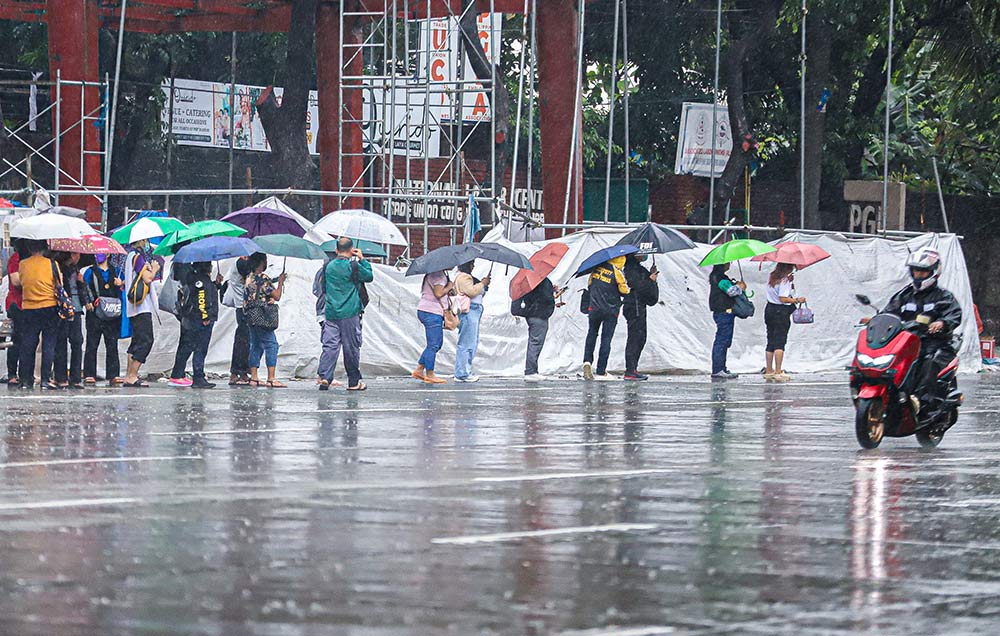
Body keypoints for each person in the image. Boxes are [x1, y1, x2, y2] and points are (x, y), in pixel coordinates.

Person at [874, 248, 962, 415]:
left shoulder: (943, 296)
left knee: (929, 362)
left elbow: (954, 314)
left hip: (934, 342)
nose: (919, 274)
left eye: (923, 271)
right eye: (916, 270)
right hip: (905, 341)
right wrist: (877, 320)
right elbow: (890, 312)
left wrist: (942, 323)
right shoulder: (904, 295)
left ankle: (924, 403)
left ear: (933, 272)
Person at [318, 238, 373, 391]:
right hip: (350, 312)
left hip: (331, 312)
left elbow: (323, 287)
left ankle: (324, 377)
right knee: (351, 347)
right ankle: (354, 381)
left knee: (330, 345)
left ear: (336, 250)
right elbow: (369, 276)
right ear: (351, 250)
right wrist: (362, 259)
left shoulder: (328, 267)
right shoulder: (352, 265)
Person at [16, 240, 60, 389]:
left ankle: (25, 379)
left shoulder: (23, 264)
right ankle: (45, 379)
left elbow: (22, 282)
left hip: (29, 307)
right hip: (49, 306)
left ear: (29, 248)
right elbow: (58, 283)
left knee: (28, 344)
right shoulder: (51, 264)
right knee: (49, 344)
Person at [170, 261, 220, 389]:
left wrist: (216, 285)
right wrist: (205, 316)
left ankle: (191, 374)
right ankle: (198, 376)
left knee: (191, 346)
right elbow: (202, 299)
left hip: (194, 318)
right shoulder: (201, 281)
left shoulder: (196, 279)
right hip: (201, 319)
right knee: (200, 348)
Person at [582, 255, 630, 380]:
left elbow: (590, 285)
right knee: (606, 339)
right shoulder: (617, 272)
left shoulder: (596, 270)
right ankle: (601, 370)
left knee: (592, 334)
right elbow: (624, 291)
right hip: (610, 311)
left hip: (594, 309)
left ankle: (587, 362)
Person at [244, 252, 286, 388]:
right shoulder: (263, 278)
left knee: (255, 345)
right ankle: (271, 378)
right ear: (262, 262)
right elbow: (277, 296)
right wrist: (280, 283)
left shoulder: (248, 278)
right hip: (262, 316)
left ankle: (254, 377)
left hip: (250, 315)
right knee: (271, 344)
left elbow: (255, 295)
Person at [123, 239, 160, 388]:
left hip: (133, 307)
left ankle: (129, 375)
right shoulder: (137, 257)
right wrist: (155, 268)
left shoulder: (130, 256)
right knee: (146, 340)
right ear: (142, 240)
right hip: (141, 306)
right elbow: (147, 278)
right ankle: (132, 375)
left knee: (136, 341)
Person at [83, 254, 124, 386]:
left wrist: (121, 283)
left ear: (108, 254)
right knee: (92, 344)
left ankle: (113, 374)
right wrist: (87, 302)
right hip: (95, 312)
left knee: (112, 344)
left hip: (112, 312)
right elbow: (84, 287)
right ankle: (89, 373)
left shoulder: (116, 270)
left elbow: (124, 288)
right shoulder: (90, 271)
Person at [513, 277, 564, 381]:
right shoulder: (543, 281)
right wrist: (553, 293)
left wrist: (551, 289)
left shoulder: (528, 280)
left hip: (530, 313)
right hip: (539, 315)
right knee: (536, 343)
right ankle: (531, 371)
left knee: (534, 342)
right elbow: (546, 299)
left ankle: (531, 370)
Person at [53, 251, 90, 389]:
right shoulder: (58, 268)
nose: (79, 256)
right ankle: (61, 376)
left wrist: (81, 282)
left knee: (77, 342)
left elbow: (81, 289)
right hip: (63, 309)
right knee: (61, 342)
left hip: (76, 308)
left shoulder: (77, 270)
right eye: (76, 254)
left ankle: (75, 377)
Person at [764, 263, 806, 382]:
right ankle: (778, 371)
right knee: (780, 341)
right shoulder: (784, 280)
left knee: (770, 340)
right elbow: (783, 298)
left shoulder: (772, 278)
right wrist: (798, 300)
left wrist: (790, 284)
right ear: (788, 268)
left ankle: (769, 370)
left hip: (769, 309)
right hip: (780, 311)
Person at [622, 254, 659, 381]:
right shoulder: (630, 269)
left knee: (641, 338)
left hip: (640, 307)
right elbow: (638, 286)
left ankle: (633, 368)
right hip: (634, 307)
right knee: (635, 338)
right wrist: (651, 280)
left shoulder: (638, 269)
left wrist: (651, 277)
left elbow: (650, 297)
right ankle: (630, 370)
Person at [412, 270, 453, 384]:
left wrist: (449, 288)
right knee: (434, 344)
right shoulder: (438, 275)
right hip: (431, 312)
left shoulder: (439, 274)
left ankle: (419, 370)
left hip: (430, 311)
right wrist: (449, 286)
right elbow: (439, 293)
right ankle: (430, 374)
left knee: (437, 343)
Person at [453, 261, 491, 383]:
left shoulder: (464, 277)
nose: (473, 266)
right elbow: (471, 291)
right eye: (472, 264)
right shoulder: (464, 277)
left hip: (474, 310)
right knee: (467, 342)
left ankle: (464, 370)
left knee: (470, 341)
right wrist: (482, 283)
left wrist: (483, 286)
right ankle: (462, 373)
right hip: (470, 311)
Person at [709, 263, 745, 379]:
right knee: (722, 340)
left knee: (724, 340)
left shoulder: (716, 277)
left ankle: (721, 368)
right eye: (728, 262)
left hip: (722, 312)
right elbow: (731, 292)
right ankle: (718, 369)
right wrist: (740, 288)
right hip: (724, 312)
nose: (729, 264)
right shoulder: (720, 278)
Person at [223, 256, 253, 386]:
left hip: (242, 307)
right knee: (243, 340)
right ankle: (238, 371)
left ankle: (241, 371)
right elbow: (250, 285)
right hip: (243, 307)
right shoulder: (242, 263)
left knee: (244, 340)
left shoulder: (240, 262)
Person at [4, 242, 21, 386]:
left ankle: (24, 372)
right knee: (16, 339)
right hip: (16, 303)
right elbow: (15, 281)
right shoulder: (15, 259)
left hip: (29, 301)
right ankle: (12, 373)